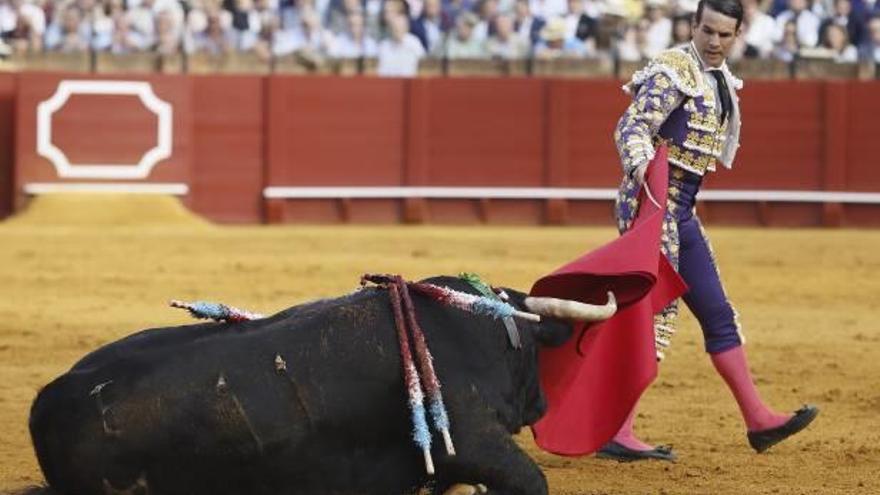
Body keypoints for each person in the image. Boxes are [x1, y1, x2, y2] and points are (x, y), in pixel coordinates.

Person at [602, 0, 818, 462]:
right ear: (693, 26)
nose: (715, 42)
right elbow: (631, 126)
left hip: (682, 212)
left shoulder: (718, 78)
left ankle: (758, 419)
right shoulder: (673, 68)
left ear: (738, 34)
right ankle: (617, 430)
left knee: (718, 312)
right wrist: (645, 175)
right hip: (651, 209)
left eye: (724, 34)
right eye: (708, 31)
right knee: (655, 319)